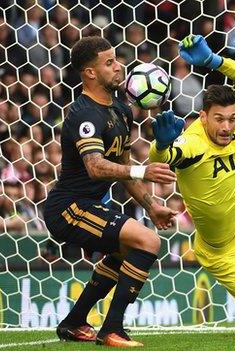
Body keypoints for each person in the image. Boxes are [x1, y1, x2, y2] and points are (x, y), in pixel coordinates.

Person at [148, 34, 235, 327]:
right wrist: (160, 145)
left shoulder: (234, 124)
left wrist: (214, 61)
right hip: (224, 251)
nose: (227, 127)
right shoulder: (192, 143)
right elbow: (162, 159)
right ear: (203, 117)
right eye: (219, 119)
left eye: (231, 118)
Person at [42, 37, 179, 347]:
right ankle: (112, 329)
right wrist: (143, 171)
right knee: (147, 241)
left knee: (129, 250)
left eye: (117, 59)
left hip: (88, 204)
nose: (119, 67)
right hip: (68, 208)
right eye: (109, 62)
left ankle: (74, 322)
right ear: (90, 73)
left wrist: (151, 204)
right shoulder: (84, 114)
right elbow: (96, 167)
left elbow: (123, 166)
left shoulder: (120, 108)